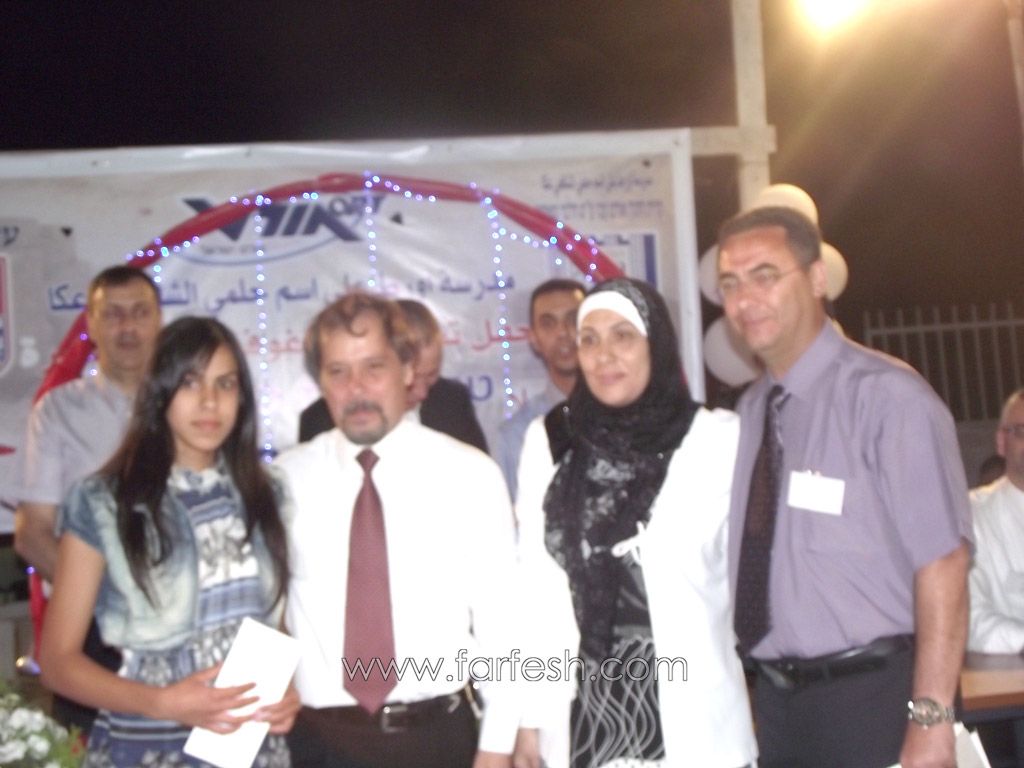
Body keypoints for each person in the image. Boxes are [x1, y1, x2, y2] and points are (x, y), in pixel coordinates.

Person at [717, 205, 971, 768]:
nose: (745, 299)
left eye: (764, 276)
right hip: (780, 709)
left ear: (816, 279)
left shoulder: (887, 398)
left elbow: (944, 562)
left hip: (876, 699)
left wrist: (931, 720)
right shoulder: (753, 410)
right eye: (730, 284)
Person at [513, 277, 757, 768]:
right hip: (580, 723)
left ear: (656, 344)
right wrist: (529, 717)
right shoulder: (552, 439)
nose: (604, 355)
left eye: (623, 335)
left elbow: (754, 578)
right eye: (589, 339)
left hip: (698, 724)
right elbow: (534, 588)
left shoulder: (717, 438)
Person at [38, 316, 297, 766]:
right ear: (160, 392)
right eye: (190, 383)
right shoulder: (104, 502)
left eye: (225, 384)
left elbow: (274, 622)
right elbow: (58, 662)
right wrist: (160, 702)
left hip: (251, 748)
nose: (210, 401)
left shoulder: (268, 492)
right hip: (149, 745)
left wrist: (286, 687)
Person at [277, 292, 520, 768]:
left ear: (408, 370)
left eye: (374, 367)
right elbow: (264, 612)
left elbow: (502, 623)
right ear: (320, 381)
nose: (356, 389)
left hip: (438, 741)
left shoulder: (469, 474)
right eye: (338, 372)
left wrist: (496, 747)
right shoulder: (284, 480)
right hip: (318, 747)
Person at [14, 265, 162, 731]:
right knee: (90, 750)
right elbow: (32, 534)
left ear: (159, 321)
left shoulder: (190, 406)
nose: (127, 327)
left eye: (139, 312)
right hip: (91, 632)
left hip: (186, 625)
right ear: (91, 325)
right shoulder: (58, 411)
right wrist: (107, 599)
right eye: (112, 314)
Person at [297, 298, 488, 452]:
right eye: (338, 371)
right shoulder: (318, 423)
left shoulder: (453, 403)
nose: (421, 392)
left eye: (431, 376)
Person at [496, 279, 584, 500]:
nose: (562, 332)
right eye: (548, 323)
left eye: (573, 320)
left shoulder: (627, 417)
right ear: (533, 339)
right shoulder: (517, 434)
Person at [969, 388, 1024, 653]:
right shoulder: (971, 514)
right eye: (1023, 431)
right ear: (1002, 441)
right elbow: (969, 618)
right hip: (1010, 672)